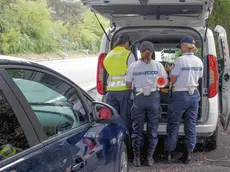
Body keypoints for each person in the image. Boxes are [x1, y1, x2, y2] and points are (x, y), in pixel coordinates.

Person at [126, 41, 168, 167]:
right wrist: (156, 83)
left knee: (137, 129)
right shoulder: (158, 65)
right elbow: (164, 82)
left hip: (139, 98)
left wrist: (137, 83)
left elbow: (128, 84)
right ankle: (149, 158)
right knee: (152, 129)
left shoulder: (133, 66)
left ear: (140, 51)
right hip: (153, 98)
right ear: (153, 51)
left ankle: (137, 158)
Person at [164, 36, 203, 164]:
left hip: (180, 96)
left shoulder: (180, 60)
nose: (180, 48)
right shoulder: (199, 61)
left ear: (185, 46)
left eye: (181, 46)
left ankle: (169, 154)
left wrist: (169, 71)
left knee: (173, 125)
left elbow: (173, 80)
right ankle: (188, 155)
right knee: (190, 126)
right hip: (193, 96)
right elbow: (200, 76)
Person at [103, 33, 136, 133]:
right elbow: (134, 72)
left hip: (111, 92)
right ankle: (126, 141)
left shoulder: (108, 55)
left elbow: (106, 73)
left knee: (113, 118)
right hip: (124, 91)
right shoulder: (128, 54)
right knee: (125, 118)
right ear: (126, 43)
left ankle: (114, 140)